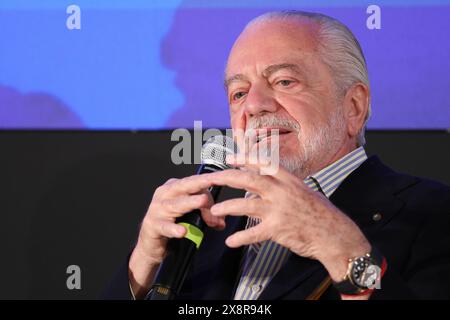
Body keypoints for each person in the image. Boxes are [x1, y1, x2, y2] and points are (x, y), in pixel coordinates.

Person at [103, 11, 450, 300]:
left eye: (284, 82)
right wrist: (143, 266)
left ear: (354, 107)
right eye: (239, 92)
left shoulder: (433, 214)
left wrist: (342, 249)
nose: (253, 106)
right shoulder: (201, 234)